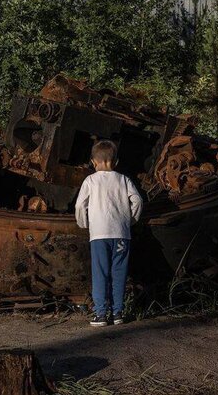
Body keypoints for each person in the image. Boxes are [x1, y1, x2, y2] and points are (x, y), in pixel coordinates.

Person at [75, 139, 143, 326]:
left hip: (99, 235)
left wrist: (83, 223)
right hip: (121, 233)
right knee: (119, 272)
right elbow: (137, 201)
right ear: (116, 162)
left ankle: (100, 314)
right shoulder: (124, 179)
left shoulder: (90, 180)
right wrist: (130, 221)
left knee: (100, 273)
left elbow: (80, 205)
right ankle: (118, 314)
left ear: (93, 161)